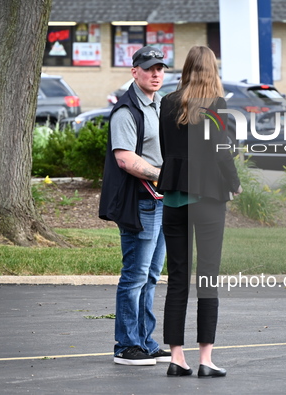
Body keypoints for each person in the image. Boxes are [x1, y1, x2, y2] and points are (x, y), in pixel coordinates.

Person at [157, 45, 242, 378]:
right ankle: (206, 359)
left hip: (175, 198)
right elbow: (222, 153)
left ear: (186, 69)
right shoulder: (215, 106)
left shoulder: (166, 103)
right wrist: (234, 184)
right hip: (207, 199)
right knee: (207, 278)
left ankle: (177, 358)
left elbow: (167, 150)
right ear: (212, 71)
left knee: (177, 279)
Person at [99, 46, 171, 366]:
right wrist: (164, 177)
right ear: (134, 72)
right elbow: (125, 159)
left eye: (160, 69)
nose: (156, 74)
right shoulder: (127, 111)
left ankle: (144, 340)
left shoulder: (157, 106)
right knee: (135, 276)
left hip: (161, 201)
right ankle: (126, 345)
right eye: (149, 68)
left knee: (152, 275)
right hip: (140, 203)